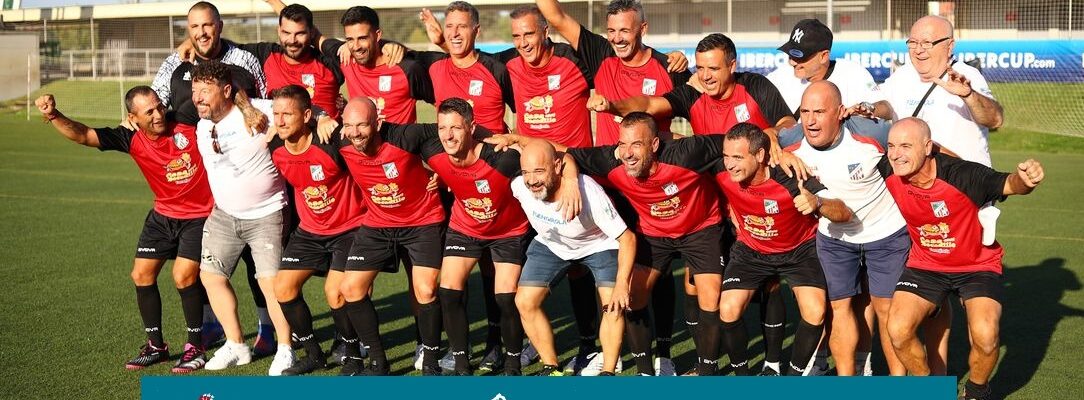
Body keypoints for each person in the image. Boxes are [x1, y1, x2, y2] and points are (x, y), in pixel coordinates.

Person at [491, 113, 727, 376]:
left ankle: (705, 371)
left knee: (708, 294)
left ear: (655, 145)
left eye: (636, 144)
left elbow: (733, 145)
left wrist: (774, 138)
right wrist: (520, 139)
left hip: (695, 230)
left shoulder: (685, 153)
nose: (626, 153)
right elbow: (565, 152)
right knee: (631, 295)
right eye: (622, 144)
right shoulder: (609, 159)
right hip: (648, 233)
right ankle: (642, 373)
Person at [533, 0, 690, 374]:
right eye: (612, 30)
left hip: (653, 185)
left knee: (657, 268)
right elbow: (555, 16)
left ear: (643, 29)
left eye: (625, 30)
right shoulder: (600, 52)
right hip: (607, 184)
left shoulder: (669, 67)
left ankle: (663, 351)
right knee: (598, 269)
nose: (618, 38)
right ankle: (603, 349)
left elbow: (697, 106)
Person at [35, 88, 214, 373]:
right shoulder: (129, 137)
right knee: (141, 274)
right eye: (149, 112)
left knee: (183, 275)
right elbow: (83, 135)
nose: (158, 115)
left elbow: (210, 95)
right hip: (162, 215)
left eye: (159, 107)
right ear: (133, 118)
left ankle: (196, 347)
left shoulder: (184, 119)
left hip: (199, 216)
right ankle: (156, 346)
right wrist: (53, 115)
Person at [402, 98, 580, 376]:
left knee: (506, 297)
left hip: (508, 232)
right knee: (448, 291)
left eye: (456, 129)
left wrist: (569, 178)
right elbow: (388, 136)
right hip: (465, 227)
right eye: (442, 128)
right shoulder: (432, 149)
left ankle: (511, 363)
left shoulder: (503, 157)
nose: (448, 135)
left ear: (472, 128)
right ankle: (461, 364)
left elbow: (551, 156)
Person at [883, 118, 1043, 400]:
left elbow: (1009, 183)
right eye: (892, 146)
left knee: (986, 334)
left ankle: (976, 392)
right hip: (926, 265)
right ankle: (929, 389)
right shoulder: (889, 169)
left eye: (906, 146)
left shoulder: (963, 175)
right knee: (898, 329)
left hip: (977, 265)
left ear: (928, 147)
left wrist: (1026, 180)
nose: (896, 154)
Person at [151, 0, 273, 354]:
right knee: (203, 257)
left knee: (253, 259)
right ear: (188, 31)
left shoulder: (245, 61)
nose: (202, 33)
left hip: (242, 171)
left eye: (207, 25)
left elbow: (263, 104)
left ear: (219, 25)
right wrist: (133, 121)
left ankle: (266, 326)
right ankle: (210, 324)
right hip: (194, 176)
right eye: (195, 27)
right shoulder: (177, 62)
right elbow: (155, 104)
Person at [778, 81, 908, 376]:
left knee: (887, 309)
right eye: (806, 112)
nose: (810, 120)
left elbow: (912, 142)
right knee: (840, 308)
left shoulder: (871, 133)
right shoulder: (793, 141)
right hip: (835, 239)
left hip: (885, 231)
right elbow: (768, 138)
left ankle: (900, 384)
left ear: (839, 113)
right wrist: (777, 147)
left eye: (820, 112)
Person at [714, 123, 852, 376]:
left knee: (815, 311)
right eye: (726, 156)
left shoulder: (790, 177)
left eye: (737, 157)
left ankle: (792, 378)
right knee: (727, 309)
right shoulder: (722, 172)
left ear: (759, 156)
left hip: (799, 252)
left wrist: (817, 202)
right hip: (751, 251)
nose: (729, 164)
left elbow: (843, 212)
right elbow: (678, 145)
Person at [335, 97, 452, 375]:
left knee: (425, 290)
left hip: (422, 221)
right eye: (349, 126)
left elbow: (449, 130)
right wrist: (322, 117)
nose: (355, 132)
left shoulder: (404, 135)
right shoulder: (340, 142)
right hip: (378, 223)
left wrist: (442, 168)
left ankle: (431, 359)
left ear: (378, 123)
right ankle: (378, 361)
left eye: (362, 125)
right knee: (350, 288)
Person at [190, 60, 293, 375]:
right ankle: (236, 344)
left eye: (205, 91)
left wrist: (326, 118)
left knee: (270, 284)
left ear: (226, 90)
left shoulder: (261, 111)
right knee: (210, 277)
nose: (198, 98)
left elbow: (304, 110)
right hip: (224, 215)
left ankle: (286, 348)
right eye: (195, 91)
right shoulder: (202, 124)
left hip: (267, 213)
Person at [264, 86, 367, 376]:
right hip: (309, 231)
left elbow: (370, 154)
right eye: (276, 114)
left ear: (307, 115)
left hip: (349, 229)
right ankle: (314, 355)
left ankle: (352, 355)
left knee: (334, 292)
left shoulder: (331, 142)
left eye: (287, 114)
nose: (280, 121)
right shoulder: (276, 148)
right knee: (283, 289)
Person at [509, 139, 635, 376]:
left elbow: (627, 238)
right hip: (552, 245)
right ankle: (551, 366)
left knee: (613, 305)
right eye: (526, 172)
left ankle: (608, 372)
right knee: (524, 301)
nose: (532, 180)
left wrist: (621, 284)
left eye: (539, 171)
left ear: (557, 167)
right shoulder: (519, 185)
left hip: (598, 244)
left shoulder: (588, 191)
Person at [861, 15, 1004, 168]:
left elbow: (995, 120)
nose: (918, 50)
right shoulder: (902, 75)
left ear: (949, 47)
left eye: (927, 43)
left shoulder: (967, 75)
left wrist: (968, 95)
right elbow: (887, 105)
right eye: (913, 43)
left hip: (962, 182)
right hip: (917, 185)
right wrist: (869, 109)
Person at [766, 18, 876, 119]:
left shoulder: (853, 73)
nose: (792, 62)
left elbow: (886, 107)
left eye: (799, 56)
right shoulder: (778, 77)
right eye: (790, 54)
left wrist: (865, 108)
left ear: (824, 56)